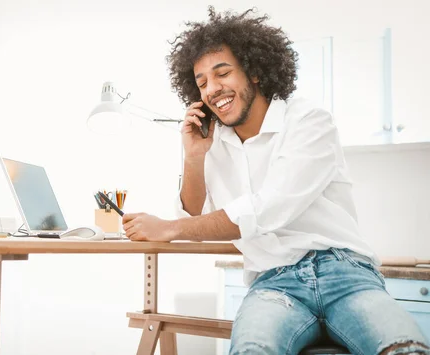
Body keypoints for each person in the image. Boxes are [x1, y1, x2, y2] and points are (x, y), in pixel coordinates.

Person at [122, 6, 429, 355]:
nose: (212, 89)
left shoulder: (308, 120)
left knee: (407, 349)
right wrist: (193, 157)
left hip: (345, 274)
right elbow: (193, 219)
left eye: (222, 73)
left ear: (253, 71)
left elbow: (268, 209)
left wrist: (170, 228)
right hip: (274, 282)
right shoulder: (214, 142)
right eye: (202, 82)